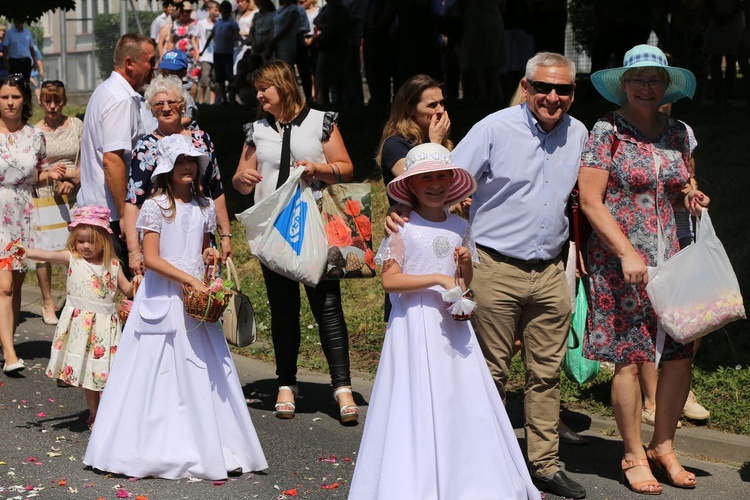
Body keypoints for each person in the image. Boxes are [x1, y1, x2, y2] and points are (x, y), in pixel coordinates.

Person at [387, 52, 589, 499]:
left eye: (564, 89)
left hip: (552, 268)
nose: (553, 97)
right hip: (494, 266)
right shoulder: (494, 128)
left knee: (546, 373)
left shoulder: (579, 134)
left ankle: (544, 465)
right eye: (544, 87)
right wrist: (401, 212)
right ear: (526, 86)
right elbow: (439, 177)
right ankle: (483, 461)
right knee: (489, 372)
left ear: (574, 93)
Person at [349, 143, 541, 499]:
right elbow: (391, 280)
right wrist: (436, 280)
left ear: (452, 181)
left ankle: (462, 472)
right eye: (425, 178)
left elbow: (463, 281)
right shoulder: (403, 226)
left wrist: (464, 263)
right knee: (417, 394)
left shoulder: (459, 225)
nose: (434, 184)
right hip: (414, 323)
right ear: (410, 185)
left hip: (452, 326)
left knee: (456, 393)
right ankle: (418, 473)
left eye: (441, 176)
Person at [84, 136, 268, 479]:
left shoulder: (204, 206)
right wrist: (190, 279)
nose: (188, 167)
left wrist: (208, 257)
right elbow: (151, 259)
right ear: (167, 170)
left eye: (192, 162)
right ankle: (151, 446)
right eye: (181, 161)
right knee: (157, 371)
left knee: (204, 371)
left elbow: (200, 249)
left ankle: (212, 444)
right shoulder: (154, 207)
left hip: (195, 306)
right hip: (163, 298)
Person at [580, 44, 709, 494]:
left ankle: (665, 446)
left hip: (671, 257)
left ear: (667, 85)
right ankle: (634, 453)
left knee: (678, 354)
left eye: (656, 80)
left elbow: (680, 184)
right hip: (621, 265)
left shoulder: (679, 133)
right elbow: (591, 201)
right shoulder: (606, 131)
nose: (647, 88)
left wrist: (691, 196)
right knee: (631, 359)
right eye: (638, 80)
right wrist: (624, 252)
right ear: (624, 85)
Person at [232, 60, 357, 424]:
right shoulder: (255, 129)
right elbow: (241, 177)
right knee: (282, 308)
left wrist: (318, 169)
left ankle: (342, 387)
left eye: (263, 89)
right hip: (274, 230)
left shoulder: (321, 121)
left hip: (315, 227)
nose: (258, 96)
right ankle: (286, 383)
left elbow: (346, 167)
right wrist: (243, 179)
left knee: (327, 306)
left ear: (283, 86)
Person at [14, 206, 139, 428]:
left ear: (103, 240)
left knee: (105, 372)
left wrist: (139, 281)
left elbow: (128, 290)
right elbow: (50, 255)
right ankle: (94, 413)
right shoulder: (73, 259)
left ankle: (109, 411)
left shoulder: (113, 265)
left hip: (105, 329)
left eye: (91, 241)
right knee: (91, 376)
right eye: (81, 241)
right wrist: (29, 252)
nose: (86, 246)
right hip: (82, 327)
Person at [124, 74, 232, 278]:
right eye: (158, 103)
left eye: (171, 101)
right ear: (151, 109)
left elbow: (216, 189)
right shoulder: (146, 147)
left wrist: (225, 235)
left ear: (182, 104)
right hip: (163, 240)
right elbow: (133, 201)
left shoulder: (202, 140)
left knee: (201, 300)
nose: (165, 108)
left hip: (201, 237)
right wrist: (134, 252)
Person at [77, 34, 156, 280]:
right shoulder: (119, 99)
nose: (153, 68)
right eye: (150, 61)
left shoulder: (105, 91)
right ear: (130, 62)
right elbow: (112, 159)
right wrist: (125, 215)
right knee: (128, 293)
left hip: (97, 209)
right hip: (110, 214)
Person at [0, 75, 65, 374]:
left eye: (14, 96)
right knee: (4, 287)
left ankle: (6, 344)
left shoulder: (35, 137)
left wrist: (49, 175)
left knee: (14, 284)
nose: (10, 102)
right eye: (4, 97)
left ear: (24, 99)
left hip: (24, 213)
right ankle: (11, 355)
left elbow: (35, 175)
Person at [33, 80, 84, 326]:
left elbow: (87, 161)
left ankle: (73, 298)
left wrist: (73, 181)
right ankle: (47, 301)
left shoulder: (76, 125)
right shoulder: (35, 131)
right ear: (41, 102)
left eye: (57, 101)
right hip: (46, 195)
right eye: (47, 101)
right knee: (45, 251)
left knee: (74, 249)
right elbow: (32, 169)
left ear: (64, 102)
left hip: (75, 194)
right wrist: (51, 173)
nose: (52, 106)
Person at [203, 1, 240, 104]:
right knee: (220, 78)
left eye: (226, 10)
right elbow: (210, 37)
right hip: (217, 53)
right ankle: (224, 99)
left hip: (227, 53)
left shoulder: (232, 23)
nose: (224, 12)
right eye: (223, 10)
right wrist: (203, 50)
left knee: (229, 76)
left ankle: (232, 98)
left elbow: (237, 35)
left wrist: (244, 41)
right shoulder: (218, 23)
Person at [157, 50, 199, 127]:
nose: (168, 77)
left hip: (185, 135)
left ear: (184, 73)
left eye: (172, 73)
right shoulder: (162, 90)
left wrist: (165, 127)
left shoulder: (183, 94)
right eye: (165, 72)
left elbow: (187, 118)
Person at [167, 0, 201, 94]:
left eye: (187, 11)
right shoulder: (175, 24)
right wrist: (168, 54)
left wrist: (198, 53)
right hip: (178, 57)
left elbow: (198, 39)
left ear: (191, 12)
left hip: (192, 56)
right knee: (178, 79)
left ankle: (193, 101)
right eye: (183, 11)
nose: (185, 13)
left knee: (193, 78)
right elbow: (171, 40)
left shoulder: (196, 24)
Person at [196, 0, 219, 104]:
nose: (217, 13)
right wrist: (197, 52)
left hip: (217, 55)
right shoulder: (201, 23)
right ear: (209, 10)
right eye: (215, 10)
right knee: (204, 79)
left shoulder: (219, 24)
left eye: (219, 10)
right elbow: (195, 38)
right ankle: (201, 101)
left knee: (214, 80)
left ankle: (212, 102)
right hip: (205, 56)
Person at [2, 18, 38, 82]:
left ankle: (25, 91)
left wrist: (35, 61)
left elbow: (31, 48)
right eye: (18, 21)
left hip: (26, 61)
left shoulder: (27, 33)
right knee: (15, 82)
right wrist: (6, 62)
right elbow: (5, 48)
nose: (19, 23)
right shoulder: (9, 33)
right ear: (15, 22)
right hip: (14, 62)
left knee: (25, 82)